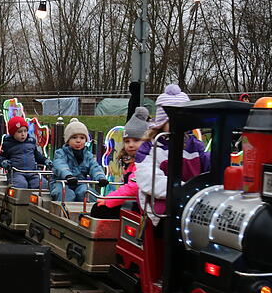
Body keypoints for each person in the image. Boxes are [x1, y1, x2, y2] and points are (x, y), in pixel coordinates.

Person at [135, 84, 209, 225]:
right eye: (173, 121)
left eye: (183, 120)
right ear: (162, 122)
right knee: (172, 215)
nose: (179, 125)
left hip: (192, 199)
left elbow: (207, 167)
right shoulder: (150, 148)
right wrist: (184, 190)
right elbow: (149, 179)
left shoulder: (195, 145)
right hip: (161, 200)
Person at [89, 107, 149, 219]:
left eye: (136, 140)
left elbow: (132, 188)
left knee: (100, 209)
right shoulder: (133, 163)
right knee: (98, 207)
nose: (130, 145)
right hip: (137, 202)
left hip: (142, 206)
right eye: (127, 141)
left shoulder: (144, 163)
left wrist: (109, 200)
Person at [51, 118, 108, 201]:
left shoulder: (88, 155)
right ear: (67, 140)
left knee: (86, 192)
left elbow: (94, 167)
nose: (78, 141)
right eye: (74, 137)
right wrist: (68, 176)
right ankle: (66, 208)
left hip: (80, 182)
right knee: (65, 194)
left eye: (82, 138)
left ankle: (93, 207)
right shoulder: (60, 153)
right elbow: (60, 165)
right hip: (61, 182)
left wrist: (100, 177)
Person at [0, 116, 48, 189]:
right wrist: (3, 162)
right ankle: (19, 194)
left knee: (42, 184)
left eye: (25, 131)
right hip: (16, 172)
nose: (23, 134)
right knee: (20, 185)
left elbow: (37, 156)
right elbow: (0, 157)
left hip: (32, 172)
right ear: (13, 133)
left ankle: (35, 194)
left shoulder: (31, 142)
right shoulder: (8, 144)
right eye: (19, 132)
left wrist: (45, 160)